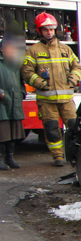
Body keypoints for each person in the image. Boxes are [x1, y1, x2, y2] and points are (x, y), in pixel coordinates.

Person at [20, 12, 81, 166]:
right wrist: (40, 83)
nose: (49, 32)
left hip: (66, 100)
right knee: (52, 129)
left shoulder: (65, 49)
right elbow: (26, 72)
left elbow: (77, 67)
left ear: (55, 30)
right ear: (39, 31)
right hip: (47, 101)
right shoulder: (33, 51)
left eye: (52, 29)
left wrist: (73, 79)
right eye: (46, 29)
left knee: (75, 127)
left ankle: (76, 154)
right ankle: (58, 157)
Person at [0, 29, 26, 169]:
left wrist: (22, 93)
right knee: (2, 132)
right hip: (1, 103)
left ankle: (9, 158)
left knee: (13, 132)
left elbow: (21, 81)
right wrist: (2, 94)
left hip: (15, 101)